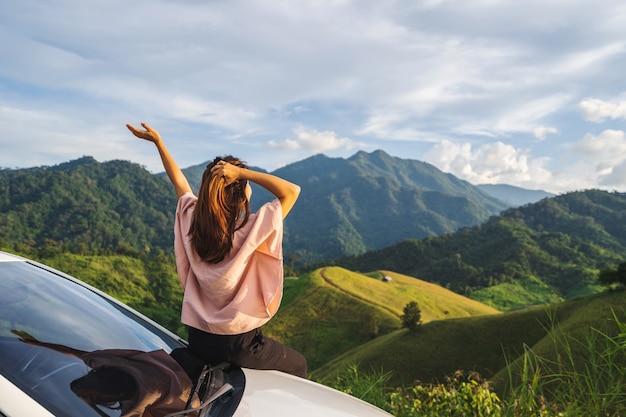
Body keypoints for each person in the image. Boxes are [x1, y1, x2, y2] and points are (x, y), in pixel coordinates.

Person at [127, 123, 307, 378]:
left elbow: (179, 184)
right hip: (237, 344)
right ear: (241, 194)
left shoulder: (193, 223)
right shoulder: (252, 229)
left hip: (199, 339)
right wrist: (243, 173)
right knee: (298, 365)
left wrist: (159, 143)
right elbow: (292, 191)